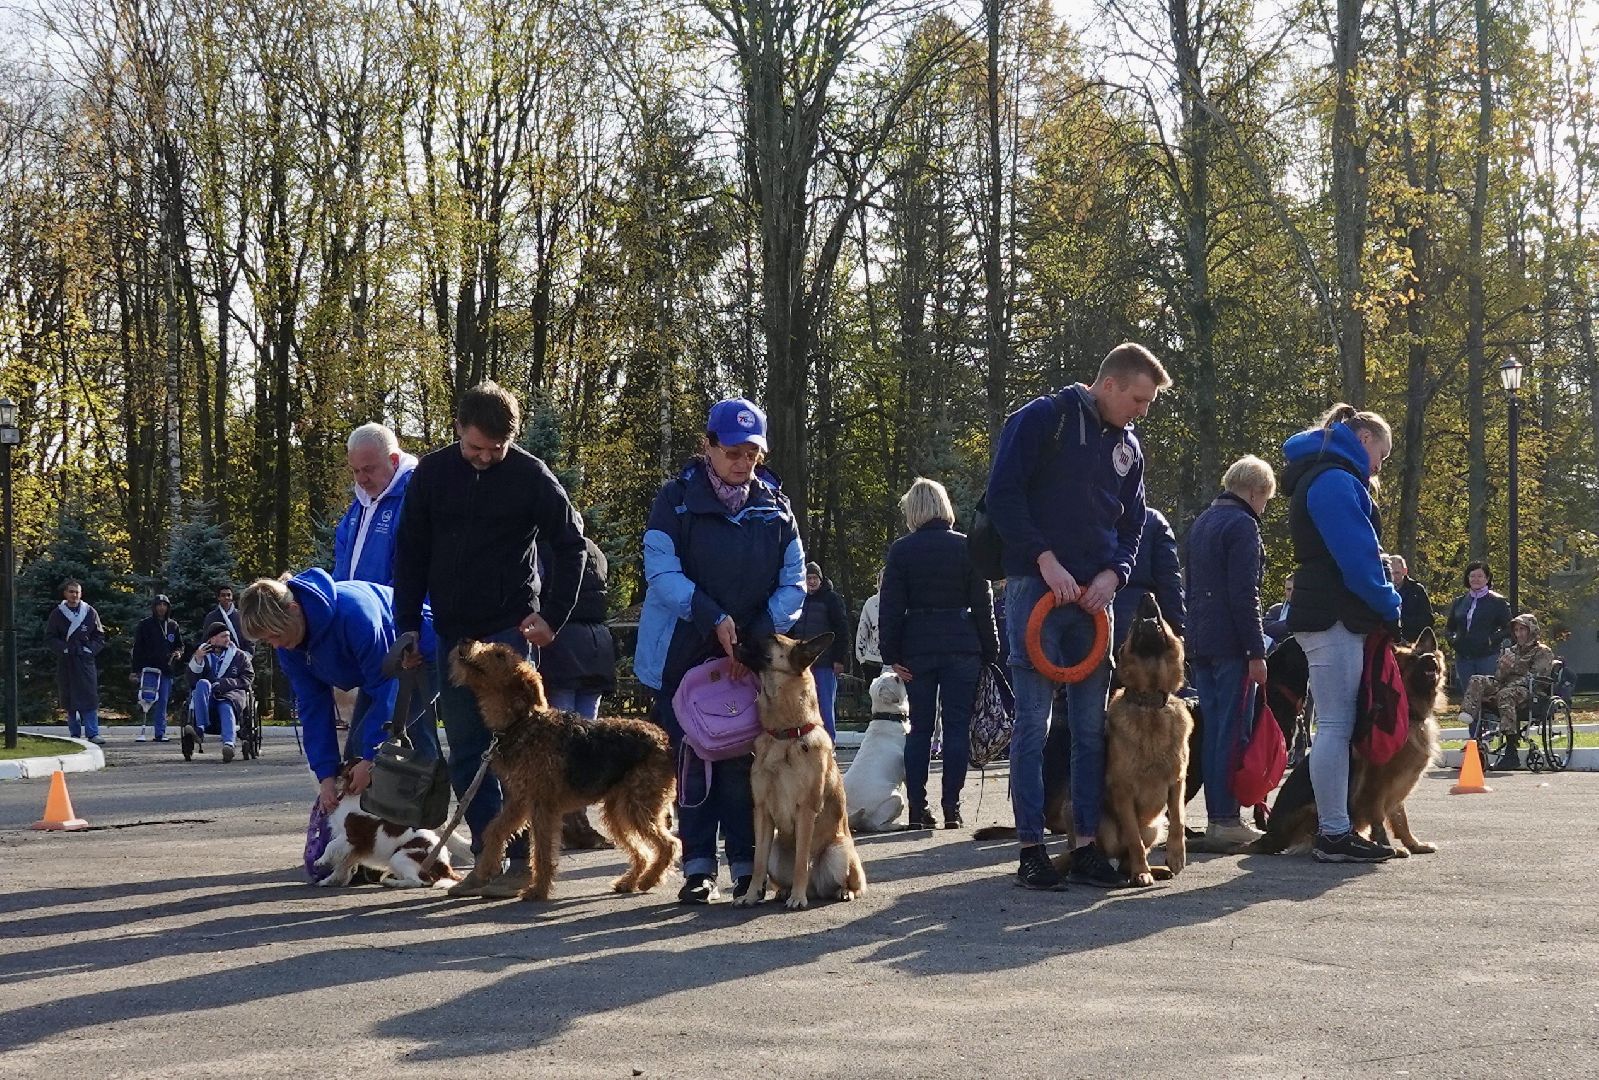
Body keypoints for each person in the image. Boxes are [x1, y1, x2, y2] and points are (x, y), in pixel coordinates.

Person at [392, 380, 587, 899]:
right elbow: (409, 552)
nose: (484, 458)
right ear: (458, 429)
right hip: (452, 631)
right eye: (475, 448)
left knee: (523, 752)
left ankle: (525, 860)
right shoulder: (432, 473)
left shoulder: (530, 477)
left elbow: (572, 546)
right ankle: (487, 856)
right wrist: (407, 623)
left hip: (509, 629)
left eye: (496, 450)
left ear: (511, 440)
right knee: (467, 749)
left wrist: (552, 617)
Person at [985, 341, 1169, 890]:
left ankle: (1086, 844)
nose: (1141, 411)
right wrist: (1044, 560)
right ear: (1109, 384)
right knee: (1033, 725)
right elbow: (1002, 495)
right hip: (1035, 593)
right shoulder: (1044, 420)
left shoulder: (1129, 448)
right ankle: (1031, 848)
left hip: (1095, 601)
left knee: (1091, 730)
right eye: (1137, 399)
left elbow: (1136, 524)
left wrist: (1116, 573)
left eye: (1147, 404)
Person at [636, 397, 805, 904]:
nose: (743, 463)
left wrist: (757, 630)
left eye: (752, 453)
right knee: (690, 761)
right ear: (707, 445)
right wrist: (713, 616)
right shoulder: (675, 499)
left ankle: (746, 867)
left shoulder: (775, 506)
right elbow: (662, 572)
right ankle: (696, 867)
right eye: (733, 451)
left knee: (740, 761)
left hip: (747, 655)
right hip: (682, 651)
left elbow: (795, 579)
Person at [1280, 402, 1404, 864]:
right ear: (1365, 440)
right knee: (1334, 724)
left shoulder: (1321, 474)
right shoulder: (1335, 480)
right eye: (1382, 456)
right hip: (1334, 613)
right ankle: (1334, 832)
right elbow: (1358, 556)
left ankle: (1336, 827)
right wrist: (1389, 603)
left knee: (1333, 723)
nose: (1379, 467)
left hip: (1323, 609)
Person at [239, 570, 439, 809]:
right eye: (266, 641)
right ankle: (374, 831)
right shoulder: (289, 647)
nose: (275, 645)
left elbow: (387, 689)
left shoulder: (354, 614)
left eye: (275, 635)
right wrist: (325, 776)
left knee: (390, 748)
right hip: (381, 674)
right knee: (355, 755)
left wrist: (372, 759)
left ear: (293, 610)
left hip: (420, 654)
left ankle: (417, 827)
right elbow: (313, 707)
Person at [878, 477, 999, 831]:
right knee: (957, 729)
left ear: (914, 510)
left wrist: (891, 652)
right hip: (962, 644)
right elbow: (983, 603)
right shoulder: (967, 546)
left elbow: (890, 607)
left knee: (920, 730)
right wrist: (989, 650)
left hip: (918, 647)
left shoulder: (902, 551)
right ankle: (952, 807)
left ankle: (917, 809)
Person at [1183, 455, 1276, 851]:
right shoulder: (1242, 526)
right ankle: (1224, 819)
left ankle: (1215, 815)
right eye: (1266, 500)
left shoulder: (1203, 522)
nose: (1264, 507)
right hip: (1232, 644)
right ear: (1255, 492)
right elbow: (1245, 595)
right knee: (1230, 731)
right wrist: (1257, 650)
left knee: (1212, 731)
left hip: (1201, 641)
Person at [536, 533, 616, 721]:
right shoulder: (596, 551)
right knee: (589, 725)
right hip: (599, 643)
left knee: (562, 726)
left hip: (561, 643)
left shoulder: (544, 549)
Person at [1458, 613, 1555, 761]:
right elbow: (1498, 678)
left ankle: (1511, 749)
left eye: (1523, 630)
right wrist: (1503, 669)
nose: (1519, 634)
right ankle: (1469, 715)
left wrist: (1513, 671)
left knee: (1505, 694)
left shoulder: (1543, 651)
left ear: (1532, 630)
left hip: (1530, 691)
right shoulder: (1511, 651)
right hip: (1505, 687)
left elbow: (1536, 677)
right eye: (1516, 630)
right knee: (1477, 679)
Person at [333, 422, 418, 587]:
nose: (361, 479)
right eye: (355, 471)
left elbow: (413, 575)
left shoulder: (415, 498)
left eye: (368, 469)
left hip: (389, 611)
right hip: (358, 609)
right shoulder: (359, 505)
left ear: (393, 460)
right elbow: (341, 568)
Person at [790, 561, 850, 738]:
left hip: (825, 661)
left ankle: (829, 743)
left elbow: (842, 630)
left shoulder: (831, 599)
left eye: (815, 578)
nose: (812, 581)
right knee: (801, 704)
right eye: (808, 578)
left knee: (824, 705)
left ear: (820, 579)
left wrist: (839, 659)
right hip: (801, 663)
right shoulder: (797, 599)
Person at [45, 579, 106, 744]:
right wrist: (64, 649)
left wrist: (89, 650)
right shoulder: (58, 614)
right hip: (67, 662)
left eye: (77, 592)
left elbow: (99, 636)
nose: (74, 595)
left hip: (85, 662)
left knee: (90, 697)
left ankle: (93, 733)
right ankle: (75, 734)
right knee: (70, 699)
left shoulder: (90, 612)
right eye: (71, 592)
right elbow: (51, 637)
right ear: (65, 594)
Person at [185, 621, 255, 763]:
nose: (227, 639)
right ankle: (199, 729)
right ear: (212, 639)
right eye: (223, 636)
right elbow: (192, 682)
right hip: (207, 699)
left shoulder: (239, 656)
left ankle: (229, 745)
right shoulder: (202, 654)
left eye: (228, 636)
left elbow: (248, 677)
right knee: (202, 683)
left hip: (230, 695)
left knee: (226, 706)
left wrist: (226, 683)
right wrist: (197, 660)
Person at [1445, 562, 1511, 697]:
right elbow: (1449, 627)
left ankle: (1486, 718)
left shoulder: (1497, 602)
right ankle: (1474, 719)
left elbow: (1509, 628)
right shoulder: (1459, 601)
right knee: (1469, 696)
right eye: (1472, 576)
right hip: (1464, 657)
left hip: (1487, 656)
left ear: (1487, 579)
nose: (1476, 579)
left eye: (1480, 576)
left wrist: (1491, 640)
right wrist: (1453, 640)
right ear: (1467, 578)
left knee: (1486, 695)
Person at [130, 594, 185, 742]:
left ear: (168, 607)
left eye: (164, 605)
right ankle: (142, 730)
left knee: (163, 700)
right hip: (148, 669)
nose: (161, 608)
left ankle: (160, 732)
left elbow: (179, 645)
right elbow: (138, 648)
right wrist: (135, 670)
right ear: (154, 607)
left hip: (166, 669)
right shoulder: (145, 624)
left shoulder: (173, 625)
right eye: (159, 605)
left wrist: (178, 652)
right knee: (146, 699)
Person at [1388, 555, 1435, 645]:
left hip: (1410, 642)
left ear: (1404, 571)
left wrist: (1403, 620)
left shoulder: (1416, 590)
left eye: (1397, 573)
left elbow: (1428, 620)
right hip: (1388, 642)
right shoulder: (1383, 591)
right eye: (1391, 573)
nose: (1393, 577)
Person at [205, 584, 253, 652]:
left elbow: (249, 636)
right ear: (218, 598)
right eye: (223, 595)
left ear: (232, 596)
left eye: (228, 595)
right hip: (218, 656)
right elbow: (207, 639)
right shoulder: (211, 617)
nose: (226, 597)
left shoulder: (241, 615)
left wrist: (248, 653)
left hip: (240, 655)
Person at [855, 570, 883, 678]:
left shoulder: (904, 602)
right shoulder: (871, 603)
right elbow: (862, 630)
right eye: (883, 579)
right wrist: (862, 659)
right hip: (873, 661)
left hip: (898, 663)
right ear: (878, 581)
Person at [1263, 575, 1294, 649]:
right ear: (1285, 590)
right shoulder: (1276, 609)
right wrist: (1292, 623)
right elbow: (1265, 628)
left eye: (1294, 589)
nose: (1292, 593)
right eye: (1288, 589)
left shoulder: (1310, 610)